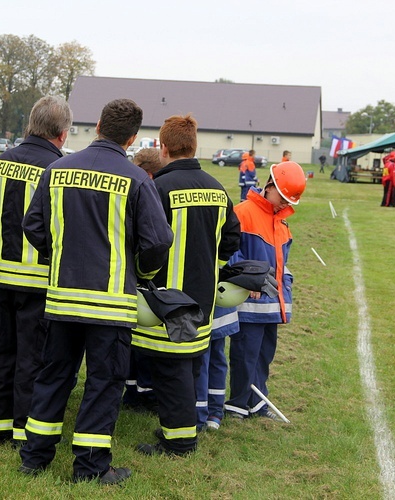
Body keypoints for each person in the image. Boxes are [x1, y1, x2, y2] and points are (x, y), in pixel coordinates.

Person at [18, 99, 173, 484]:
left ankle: (33, 458)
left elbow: (33, 225)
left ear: (98, 124)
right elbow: (157, 242)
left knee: (53, 376)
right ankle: (90, 468)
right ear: (133, 138)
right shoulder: (137, 179)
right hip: (112, 304)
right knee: (103, 384)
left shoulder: (56, 169)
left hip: (62, 297)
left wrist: (59, 256)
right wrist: (140, 271)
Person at [0, 96, 73, 447]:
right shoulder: (60, 170)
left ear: (30, 124)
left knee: (0, 351)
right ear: (61, 133)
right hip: (40, 283)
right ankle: (22, 429)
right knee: (33, 357)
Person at [133, 114, 240, 456]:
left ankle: (179, 442)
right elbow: (232, 239)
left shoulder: (157, 188)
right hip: (204, 298)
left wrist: (143, 276)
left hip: (167, 300)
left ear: (163, 148)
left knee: (171, 369)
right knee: (189, 364)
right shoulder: (217, 189)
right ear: (193, 147)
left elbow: (147, 243)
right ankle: (181, 427)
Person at [224, 161, 306, 419]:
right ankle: (238, 403)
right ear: (269, 186)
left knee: (264, 356)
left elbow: (283, 263)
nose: (285, 204)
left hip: (272, 305)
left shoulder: (282, 223)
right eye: (282, 197)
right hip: (249, 304)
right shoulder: (243, 213)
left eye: (289, 200)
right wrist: (247, 280)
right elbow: (229, 253)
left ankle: (258, 401)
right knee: (245, 355)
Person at [121, 146, 164, 413]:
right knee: (140, 336)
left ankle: (135, 390)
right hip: (142, 272)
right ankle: (141, 391)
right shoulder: (147, 190)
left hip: (130, 271)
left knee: (133, 336)